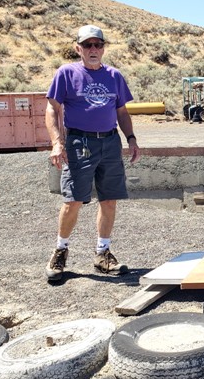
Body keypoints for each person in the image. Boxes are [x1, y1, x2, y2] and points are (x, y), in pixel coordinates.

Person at [44, 25, 141, 283]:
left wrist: (131, 138)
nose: (93, 49)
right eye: (87, 45)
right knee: (73, 200)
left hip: (109, 142)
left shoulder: (114, 76)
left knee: (109, 200)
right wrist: (57, 142)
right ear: (78, 49)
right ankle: (60, 251)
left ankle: (102, 253)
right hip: (79, 143)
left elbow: (121, 111)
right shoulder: (67, 73)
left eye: (98, 44)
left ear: (104, 47)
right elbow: (52, 109)